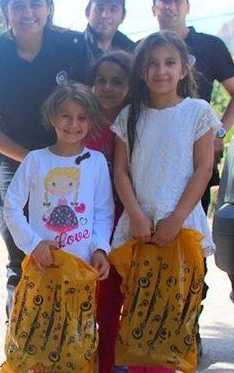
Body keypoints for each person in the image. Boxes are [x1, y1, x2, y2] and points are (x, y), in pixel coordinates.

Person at [0, 0, 87, 317]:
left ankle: (68, 340)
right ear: (5, 10)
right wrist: (35, 161)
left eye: (35, 4)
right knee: (20, 253)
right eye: (18, 5)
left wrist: (59, 158)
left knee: (70, 248)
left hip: (68, 159)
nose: (28, 13)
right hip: (14, 161)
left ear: (49, 8)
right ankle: (21, 345)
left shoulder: (72, 46)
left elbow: (86, 109)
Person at [111, 31, 221, 372]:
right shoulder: (130, 115)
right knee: (138, 310)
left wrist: (175, 219)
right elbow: (121, 172)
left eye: (170, 62)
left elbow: (203, 169)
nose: (162, 71)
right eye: (153, 64)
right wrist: (136, 215)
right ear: (142, 71)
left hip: (181, 226)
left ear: (184, 69)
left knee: (172, 316)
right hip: (139, 228)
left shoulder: (197, 112)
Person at [150, 0, 234, 213]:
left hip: (197, 155)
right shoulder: (145, 48)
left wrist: (219, 133)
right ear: (154, 8)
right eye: (164, 0)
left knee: (192, 235)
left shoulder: (210, 46)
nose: (171, 6)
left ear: (188, 6)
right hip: (154, 155)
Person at [3, 80, 113, 277]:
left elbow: (103, 211)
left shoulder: (96, 161)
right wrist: (34, 245)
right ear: (53, 118)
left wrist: (100, 248)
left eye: (82, 118)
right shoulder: (35, 160)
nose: (73, 124)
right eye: (66, 116)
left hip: (82, 268)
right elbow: (11, 207)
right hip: (42, 266)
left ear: (91, 121)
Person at [83, 51, 132, 373]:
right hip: (88, 226)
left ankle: (112, 365)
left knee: (115, 302)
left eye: (117, 81)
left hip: (127, 224)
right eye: (101, 80)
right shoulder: (82, 124)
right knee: (90, 301)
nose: (107, 88)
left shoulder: (136, 121)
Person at [83, 0, 136, 78]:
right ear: (87, 12)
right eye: (100, 8)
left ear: (123, 16)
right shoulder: (73, 50)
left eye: (113, 9)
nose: (105, 15)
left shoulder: (133, 53)